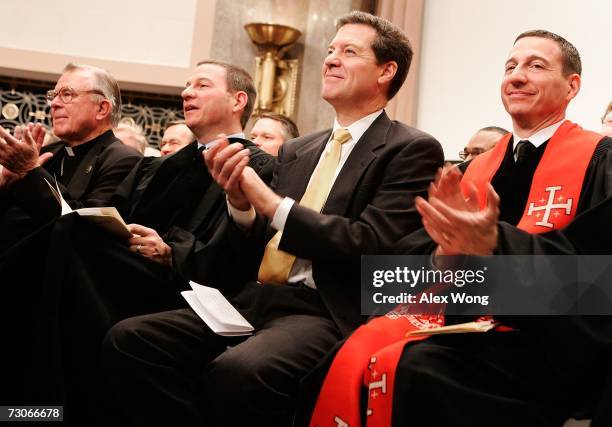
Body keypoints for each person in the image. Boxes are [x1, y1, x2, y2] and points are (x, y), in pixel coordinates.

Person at [103, 11, 443, 427]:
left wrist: (269, 202)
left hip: (322, 308)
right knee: (130, 340)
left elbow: (369, 241)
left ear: (386, 71)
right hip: (254, 296)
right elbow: (253, 243)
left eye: (349, 52)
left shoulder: (410, 148)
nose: (331, 59)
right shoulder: (299, 149)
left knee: (240, 372)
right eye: (331, 50)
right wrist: (240, 205)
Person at [310, 30, 612, 427]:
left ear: (572, 85)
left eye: (536, 66)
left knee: (419, 370)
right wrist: (443, 256)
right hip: (455, 321)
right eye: (510, 67)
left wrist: (492, 252)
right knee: (340, 355)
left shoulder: (600, 161)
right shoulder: (469, 172)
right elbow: (392, 273)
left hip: (542, 342)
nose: (517, 76)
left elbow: (598, 283)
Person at [0, 60, 274, 424]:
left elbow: (240, 253)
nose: (186, 92)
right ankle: (35, 406)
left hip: (188, 284)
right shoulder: (161, 165)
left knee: (68, 240)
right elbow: (111, 215)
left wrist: (170, 252)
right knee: (67, 234)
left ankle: (45, 410)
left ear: (238, 100)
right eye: (186, 85)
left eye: (202, 85)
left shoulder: (257, 165)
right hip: (131, 265)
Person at [0, 63, 141, 251]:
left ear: (102, 109)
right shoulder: (47, 152)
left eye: (67, 94)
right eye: (53, 95)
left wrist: (31, 172)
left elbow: (85, 230)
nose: (54, 104)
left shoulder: (124, 160)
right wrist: (6, 184)